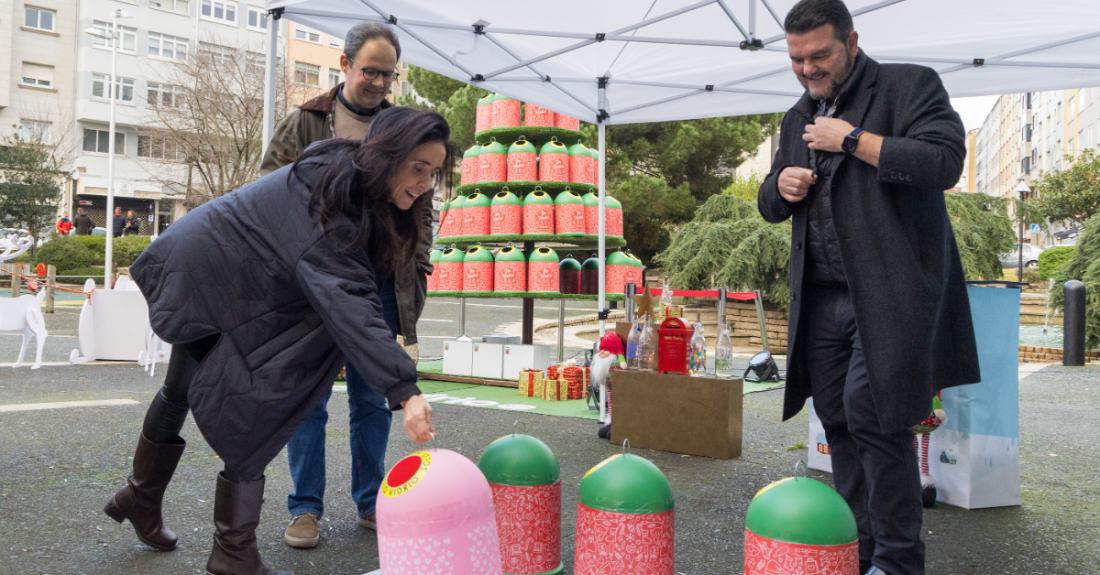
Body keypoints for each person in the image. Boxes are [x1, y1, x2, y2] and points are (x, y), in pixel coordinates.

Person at [103, 108, 447, 575]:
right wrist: (404, 388)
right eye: (418, 168)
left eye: (434, 172)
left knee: (184, 388)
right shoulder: (334, 201)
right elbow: (351, 300)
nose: (427, 182)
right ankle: (232, 550)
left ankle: (141, 497)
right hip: (213, 277)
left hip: (220, 273)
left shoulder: (349, 178)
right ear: (388, 155)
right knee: (261, 400)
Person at [756, 1, 980, 574]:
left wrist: (854, 139)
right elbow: (769, 205)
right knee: (837, 417)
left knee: (876, 416)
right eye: (797, 59)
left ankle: (900, 562)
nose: (808, 68)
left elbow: (944, 162)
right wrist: (781, 183)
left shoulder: (908, 87)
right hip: (823, 301)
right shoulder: (795, 117)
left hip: (891, 295)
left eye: (820, 55)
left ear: (852, 42)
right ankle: (857, 553)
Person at [261, 23, 430, 550]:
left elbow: (423, 200)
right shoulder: (306, 122)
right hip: (314, 282)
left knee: (371, 397)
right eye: (370, 71)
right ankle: (305, 508)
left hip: (380, 279)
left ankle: (371, 500)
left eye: (388, 74)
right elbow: (267, 191)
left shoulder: (398, 126)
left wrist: (418, 265)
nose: (379, 82)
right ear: (344, 65)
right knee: (307, 399)